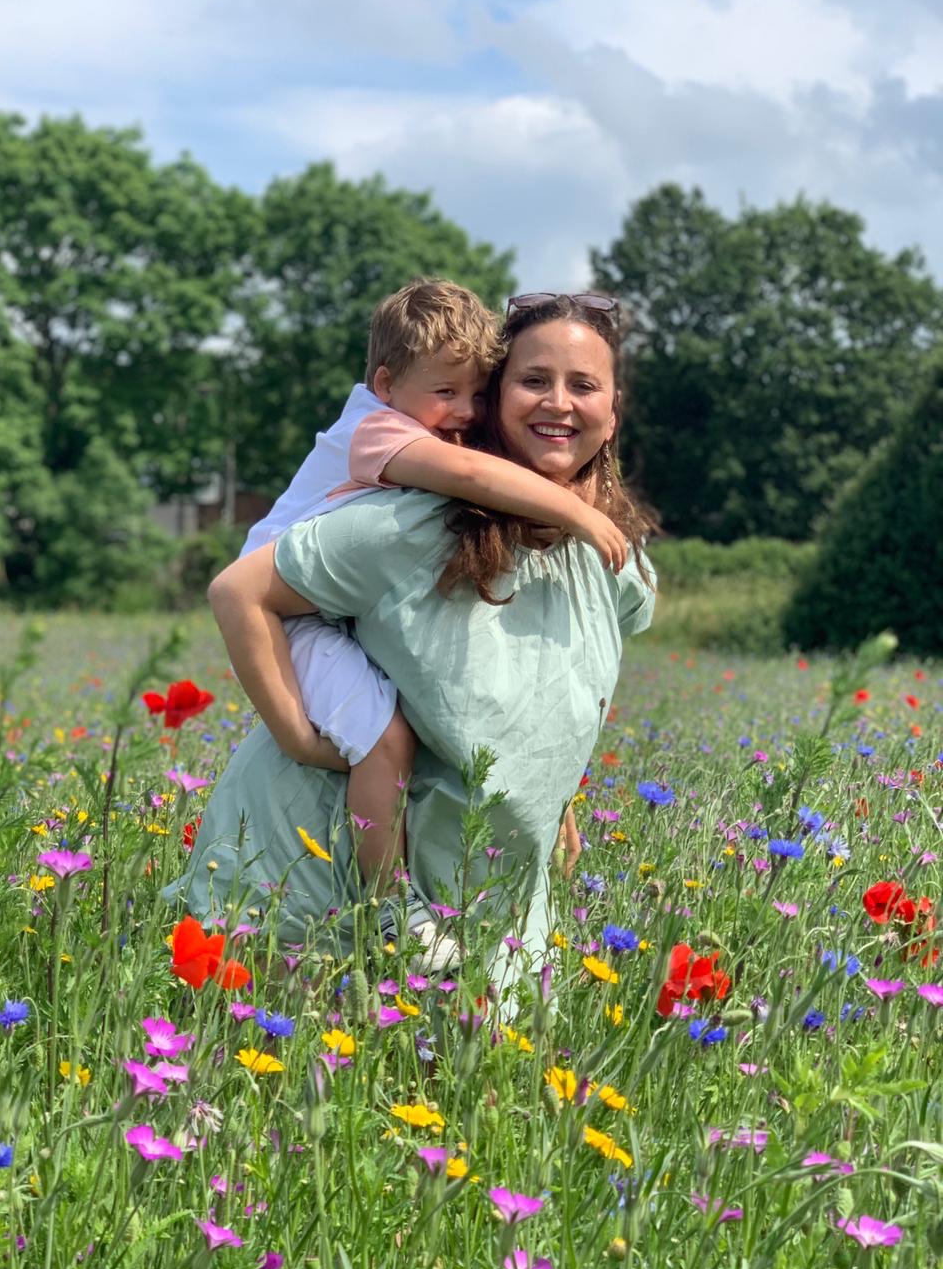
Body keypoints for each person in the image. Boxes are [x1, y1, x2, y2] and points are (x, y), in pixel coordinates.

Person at [174, 292, 656, 978]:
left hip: (476, 910)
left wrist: (554, 794)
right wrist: (291, 733)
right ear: (496, 402)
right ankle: (392, 908)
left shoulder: (607, 561)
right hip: (313, 902)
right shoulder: (402, 522)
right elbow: (237, 590)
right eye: (531, 380)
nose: (558, 402)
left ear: (613, 415)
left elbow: (542, 687)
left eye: (583, 384)